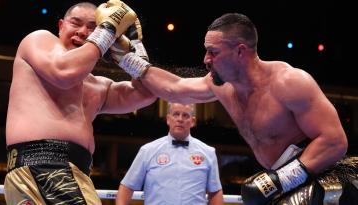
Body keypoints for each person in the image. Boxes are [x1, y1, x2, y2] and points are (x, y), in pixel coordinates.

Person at [112, 12, 358, 204]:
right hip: (284, 180)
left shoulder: (289, 82)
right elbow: (174, 87)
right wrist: (126, 58)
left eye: (213, 52)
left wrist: (280, 179)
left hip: (324, 176)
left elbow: (335, 141)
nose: (206, 60)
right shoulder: (222, 86)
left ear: (240, 51)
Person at [4, 1, 156, 205]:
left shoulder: (99, 87)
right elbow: (63, 73)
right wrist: (106, 30)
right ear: (61, 26)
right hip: (46, 168)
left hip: (69, 173)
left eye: (94, 27)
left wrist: (135, 48)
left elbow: (146, 93)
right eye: (76, 23)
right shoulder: (38, 40)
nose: (84, 32)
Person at [116, 102, 223, 205]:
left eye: (185, 115)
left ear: (193, 121)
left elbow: (215, 192)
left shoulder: (208, 152)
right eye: (176, 114)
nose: (180, 119)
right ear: (168, 119)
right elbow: (127, 187)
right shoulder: (148, 150)